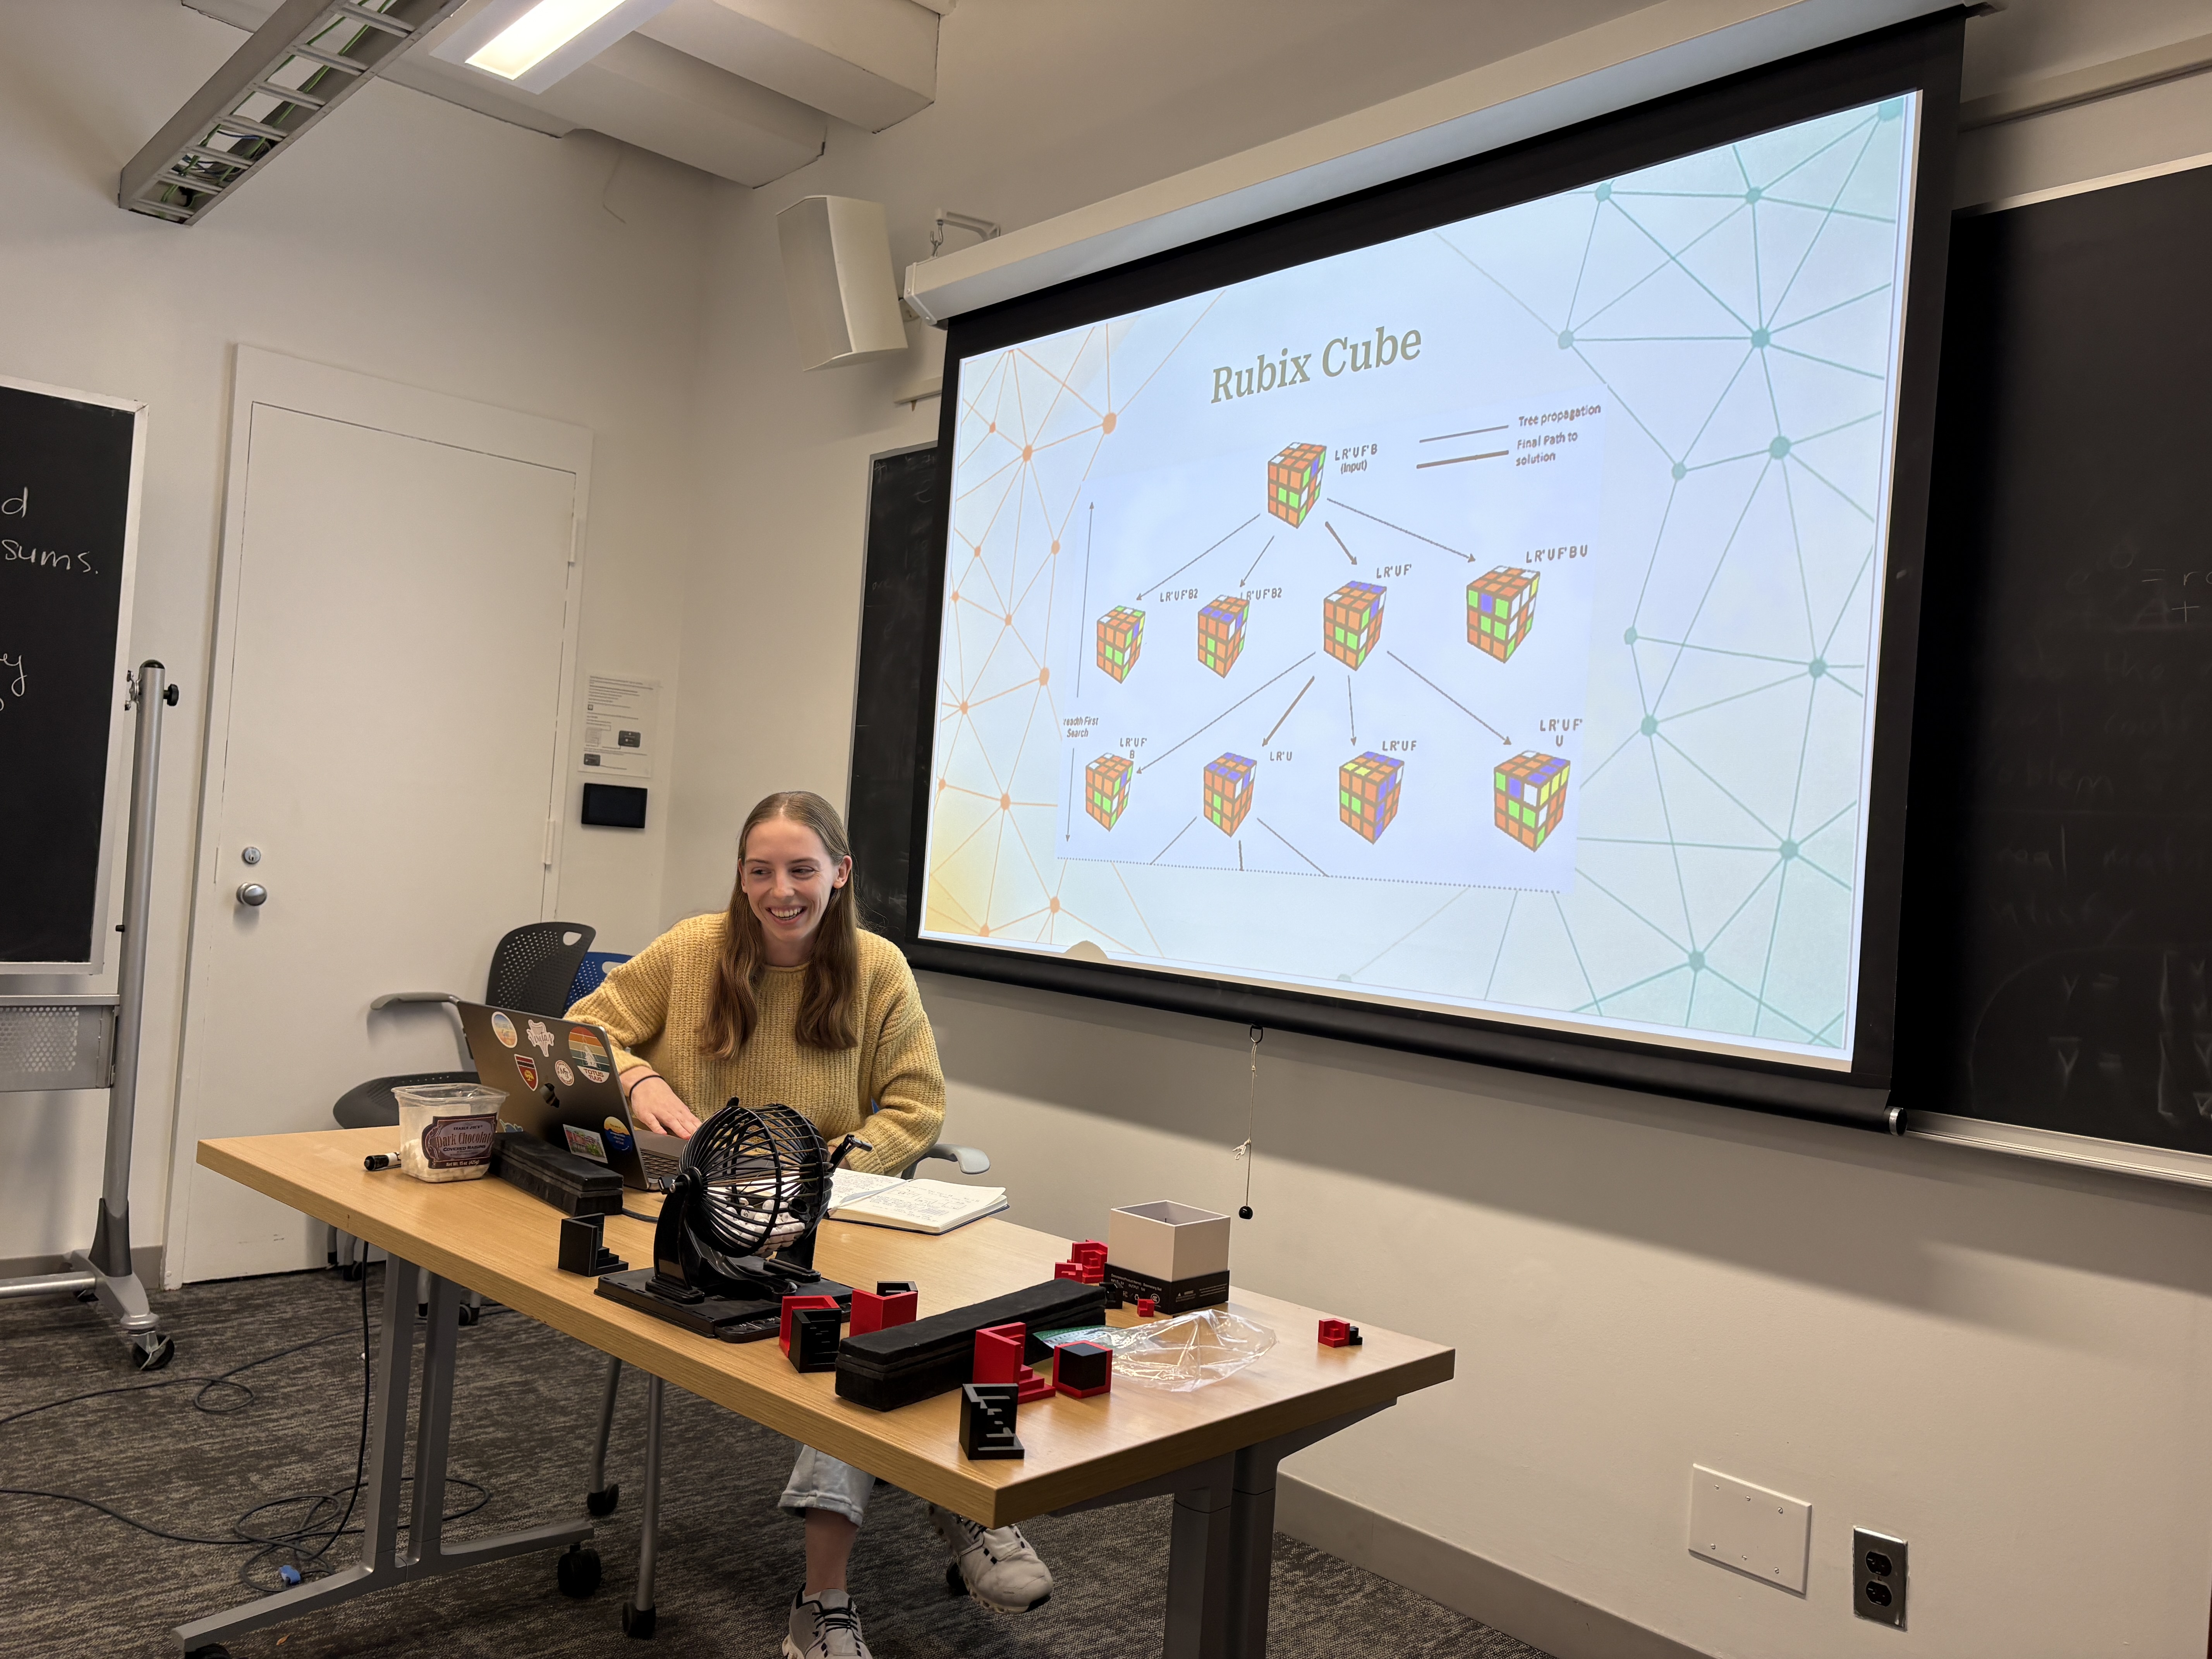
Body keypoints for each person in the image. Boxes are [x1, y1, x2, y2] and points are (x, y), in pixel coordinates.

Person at [567, 790, 1053, 1659]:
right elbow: (583, 1031)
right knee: (858, 1338)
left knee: (921, 1313)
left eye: (801, 870)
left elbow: (916, 1106)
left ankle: (954, 1505)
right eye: (761, 871)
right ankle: (836, 1592)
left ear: (840, 874)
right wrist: (640, 1082)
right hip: (704, 1225)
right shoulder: (692, 950)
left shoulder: (877, 968)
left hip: (828, 1210)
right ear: (741, 875)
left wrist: (823, 1175)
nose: (780, 891)